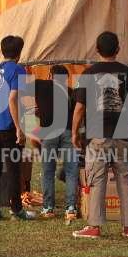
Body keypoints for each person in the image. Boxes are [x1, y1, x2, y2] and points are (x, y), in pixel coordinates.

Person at [71, 31, 128, 240]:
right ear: (118, 49)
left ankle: (95, 226)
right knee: (125, 179)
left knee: (97, 179)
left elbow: (80, 108)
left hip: (97, 135)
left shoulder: (89, 74)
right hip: (123, 134)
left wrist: (74, 132)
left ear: (97, 50)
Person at [0, 35, 32, 221]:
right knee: (13, 168)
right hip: (8, 125)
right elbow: (12, 99)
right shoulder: (18, 70)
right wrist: (19, 128)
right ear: (19, 53)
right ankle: (16, 210)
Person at [33, 64, 79, 220]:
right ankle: (71, 208)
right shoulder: (71, 92)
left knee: (48, 171)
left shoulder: (40, 85)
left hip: (49, 133)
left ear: (51, 76)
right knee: (71, 171)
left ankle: (48, 208)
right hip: (67, 132)